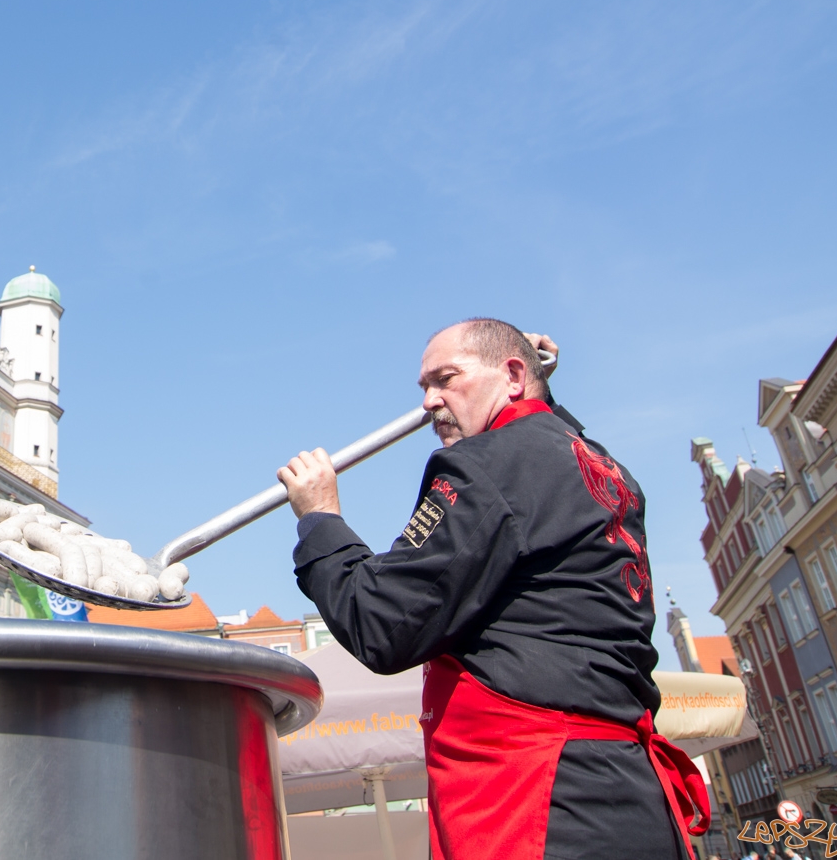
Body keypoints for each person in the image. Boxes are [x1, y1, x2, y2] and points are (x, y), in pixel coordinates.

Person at [278, 319, 708, 860]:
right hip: (628, 787)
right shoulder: (601, 463)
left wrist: (321, 521)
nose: (430, 402)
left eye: (446, 378)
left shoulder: (484, 465)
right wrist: (541, 386)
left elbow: (384, 627)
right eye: (423, 388)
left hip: (542, 800)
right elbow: (545, 440)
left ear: (510, 375)